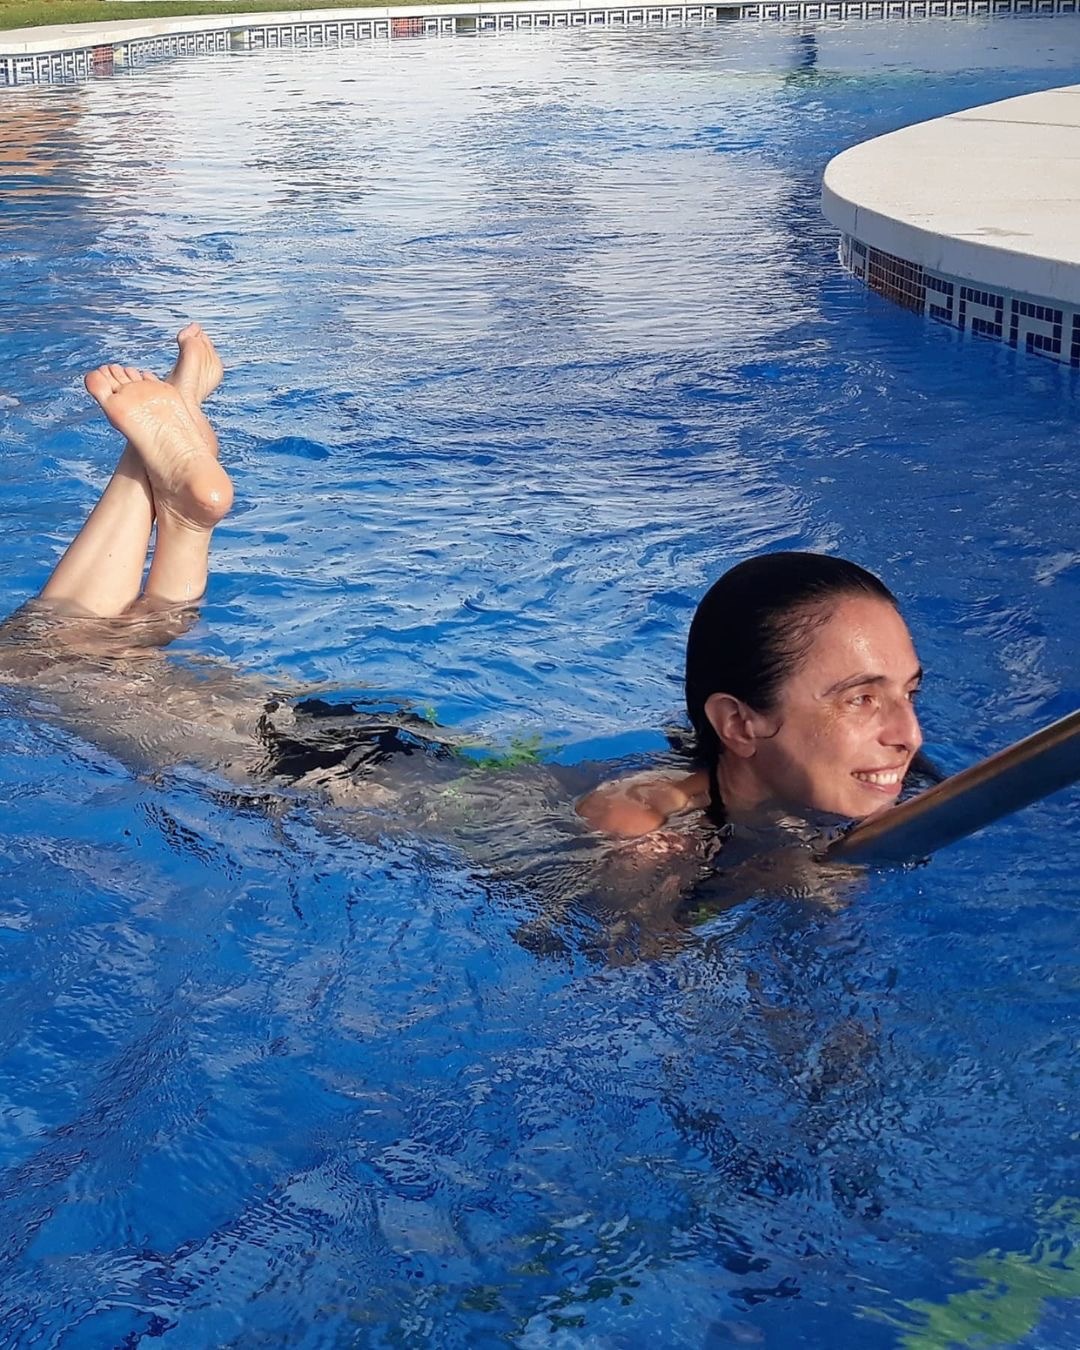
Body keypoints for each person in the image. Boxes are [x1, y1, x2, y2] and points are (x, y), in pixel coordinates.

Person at [2, 326, 926, 863]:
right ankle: (173, 477)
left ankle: (181, 485)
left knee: (101, 658)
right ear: (738, 722)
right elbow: (627, 971)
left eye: (906, 693)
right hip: (318, 774)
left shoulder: (727, 791)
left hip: (398, 750)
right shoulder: (641, 829)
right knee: (31, 666)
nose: (905, 734)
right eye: (860, 698)